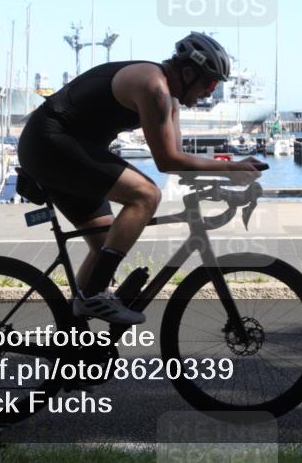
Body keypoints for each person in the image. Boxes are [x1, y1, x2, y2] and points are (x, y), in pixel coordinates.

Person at [17, 32, 264, 324]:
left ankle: (74, 341)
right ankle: (94, 297)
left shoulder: (169, 99)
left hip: (71, 150)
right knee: (146, 195)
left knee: (105, 243)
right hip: (49, 143)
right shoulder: (153, 86)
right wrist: (229, 168)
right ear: (187, 73)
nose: (210, 92)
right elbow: (166, 161)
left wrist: (221, 178)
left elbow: (177, 159)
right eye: (209, 83)